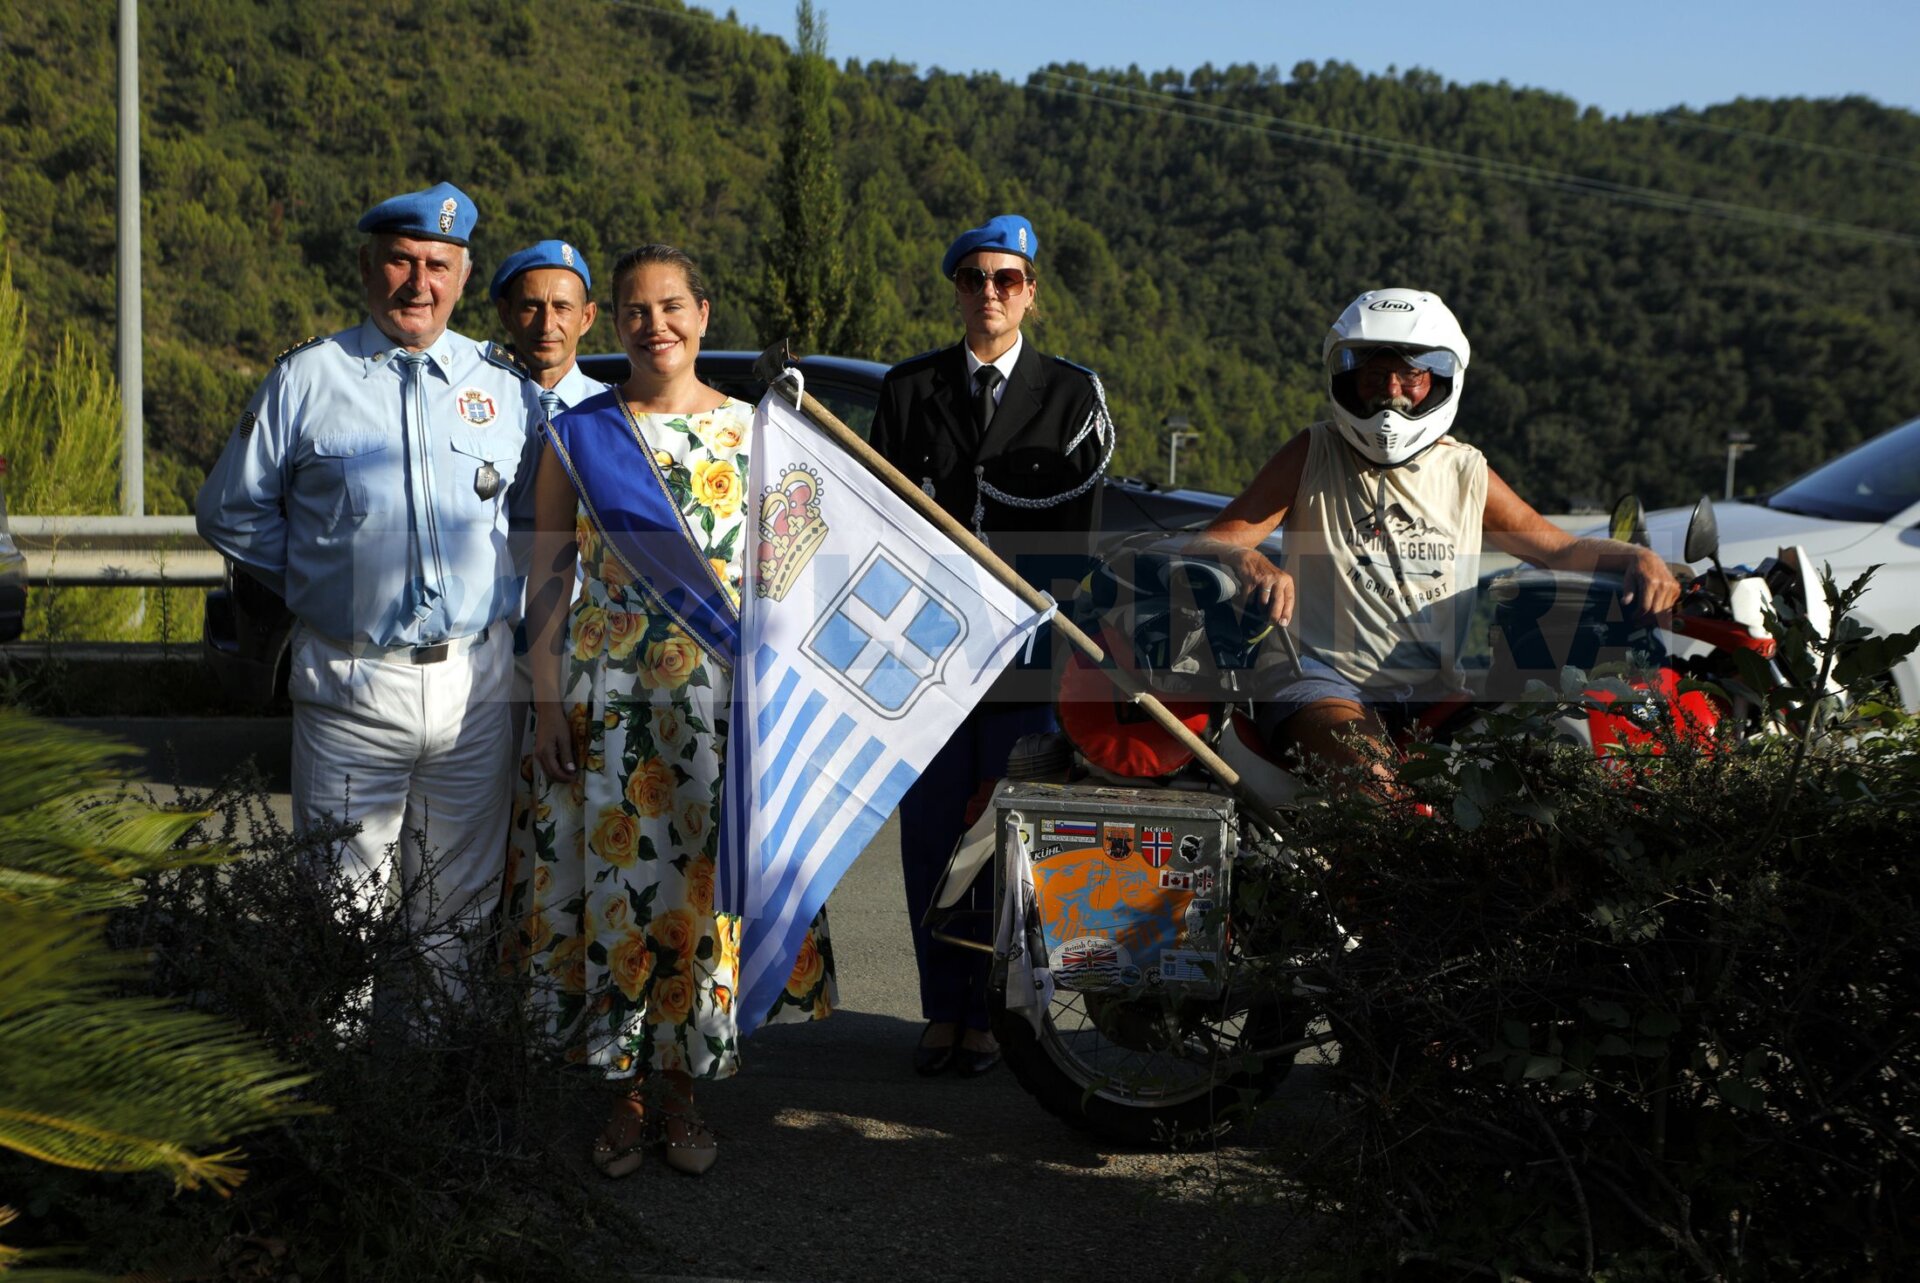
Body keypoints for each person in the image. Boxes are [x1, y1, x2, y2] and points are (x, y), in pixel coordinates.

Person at [501, 244, 834, 1179]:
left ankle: (683, 1090)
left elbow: (790, 582)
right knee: (620, 891)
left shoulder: (760, 437)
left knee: (697, 897)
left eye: (673, 306)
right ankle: (627, 1093)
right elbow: (549, 578)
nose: (657, 326)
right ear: (616, 323)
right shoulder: (582, 436)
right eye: (638, 311)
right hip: (611, 711)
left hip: (718, 715)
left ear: (704, 312)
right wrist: (545, 699)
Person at [196, 181, 542, 1008]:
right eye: (399, 260)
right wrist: (327, 579)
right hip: (353, 682)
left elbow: (538, 519)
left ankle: (437, 1111)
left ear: (462, 277)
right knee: (338, 917)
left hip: (476, 684)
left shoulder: (503, 388)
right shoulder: (309, 378)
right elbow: (229, 510)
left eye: (436, 265)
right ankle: (343, 1115)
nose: (417, 283)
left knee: (457, 919)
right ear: (366, 266)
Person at [1189, 287, 1682, 791]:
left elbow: (1557, 548)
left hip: (1438, 690)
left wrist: (1637, 557)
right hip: (1320, 676)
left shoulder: (1465, 469)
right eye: (1376, 377)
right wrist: (1249, 560)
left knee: (1539, 779)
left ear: (1441, 380)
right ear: (1349, 380)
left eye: (1411, 378)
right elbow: (1208, 543)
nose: (1392, 393)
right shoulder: (1314, 452)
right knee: (1375, 786)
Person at [868, 214, 1113, 1078]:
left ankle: (1013, 1015)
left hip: (1024, 650)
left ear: (1032, 291)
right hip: (928, 654)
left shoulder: (1073, 396)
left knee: (1013, 836)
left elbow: (1073, 539)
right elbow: (883, 530)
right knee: (934, 830)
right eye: (974, 280)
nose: (990, 294)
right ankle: (947, 1013)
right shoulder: (908, 390)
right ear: (957, 291)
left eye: (1007, 279)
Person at [489, 238, 610, 414]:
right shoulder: (479, 404)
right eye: (531, 307)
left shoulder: (617, 415)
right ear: (506, 314)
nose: (546, 326)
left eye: (562, 308)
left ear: (587, 318)